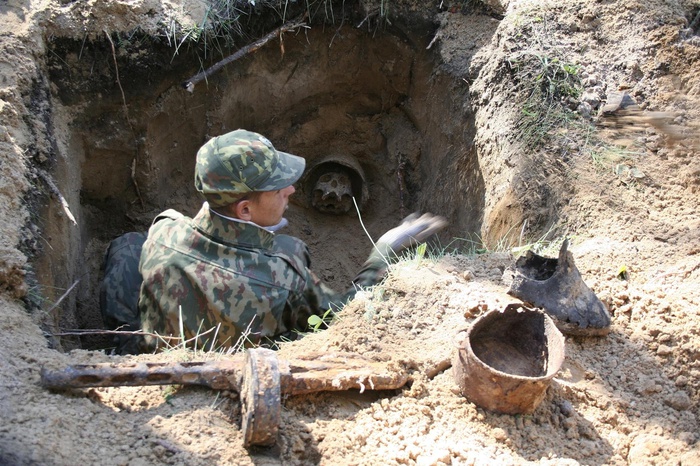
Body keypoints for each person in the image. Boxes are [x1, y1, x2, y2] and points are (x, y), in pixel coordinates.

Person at [100, 129, 446, 354]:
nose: (291, 190)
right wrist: (383, 251)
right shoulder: (283, 272)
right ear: (246, 209)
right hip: (237, 363)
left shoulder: (165, 230)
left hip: (153, 346)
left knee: (129, 243)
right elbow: (342, 316)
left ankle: (119, 341)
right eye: (277, 186)